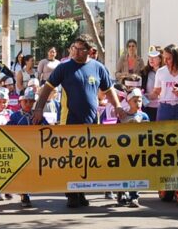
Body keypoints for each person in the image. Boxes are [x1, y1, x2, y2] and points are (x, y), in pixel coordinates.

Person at [32, 34, 125, 208]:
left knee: (87, 159)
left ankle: (81, 192)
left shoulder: (98, 68)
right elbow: (47, 89)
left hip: (91, 121)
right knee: (72, 158)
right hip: (69, 121)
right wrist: (38, 109)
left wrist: (118, 107)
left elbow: (109, 90)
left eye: (79, 49)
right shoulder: (64, 68)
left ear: (90, 51)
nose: (75, 51)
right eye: (73, 48)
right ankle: (72, 194)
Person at [116, 88, 151, 207]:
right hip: (125, 151)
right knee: (124, 172)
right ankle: (121, 194)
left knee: (136, 173)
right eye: (135, 101)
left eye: (140, 100)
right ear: (129, 101)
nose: (138, 103)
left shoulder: (144, 116)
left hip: (138, 150)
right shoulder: (123, 116)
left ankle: (134, 197)